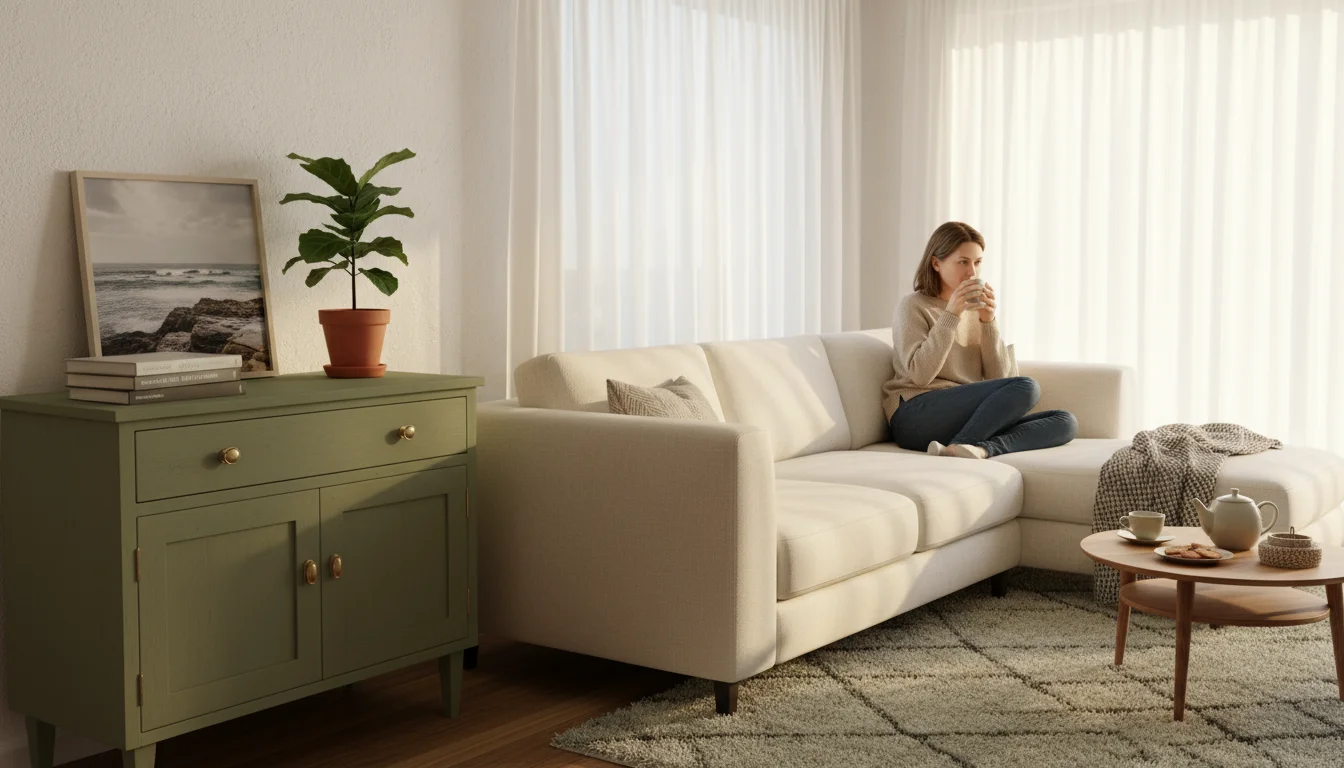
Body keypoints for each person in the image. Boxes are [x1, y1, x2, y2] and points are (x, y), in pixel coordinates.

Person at [883, 222, 1077, 459]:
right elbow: (920, 375)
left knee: (1065, 421)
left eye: (977, 262)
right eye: (963, 262)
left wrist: (988, 322)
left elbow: (1001, 381)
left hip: (964, 417)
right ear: (936, 263)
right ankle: (965, 442)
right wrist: (951, 315)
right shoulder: (912, 306)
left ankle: (977, 448)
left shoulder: (976, 311)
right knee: (1027, 386)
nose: (972, 273)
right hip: (914, 415)